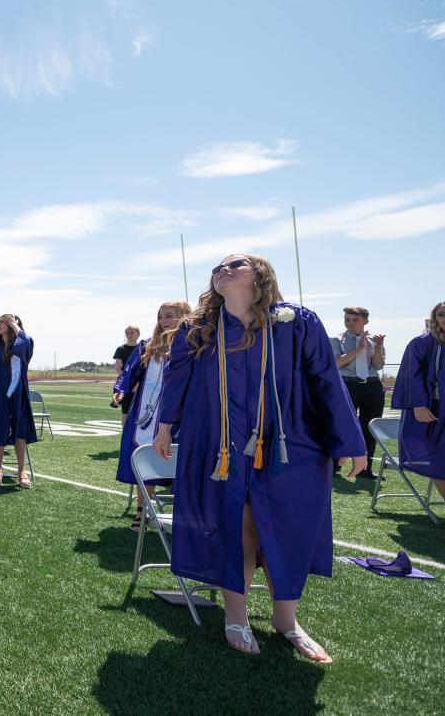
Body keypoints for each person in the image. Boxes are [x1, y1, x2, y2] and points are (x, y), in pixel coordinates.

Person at [152, 253, 366, 662]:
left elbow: (325, 378)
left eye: (236, 265)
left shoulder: (296, 322)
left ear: (261, 275)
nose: (223, 270)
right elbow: (176, 381)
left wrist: (349, 441)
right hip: (221, 444)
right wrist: (165, 427)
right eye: (218, 268)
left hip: (290, 440)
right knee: (239, 524)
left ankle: (287, 620)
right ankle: (236, 616)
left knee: (289, 526)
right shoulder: (198, 330)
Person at [111, 302, 190, 529]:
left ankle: (182, 513)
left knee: (178, 462)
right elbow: (129, 373)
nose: (164, 320)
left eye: (170, 316)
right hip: (146, 414)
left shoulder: (190, 346)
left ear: (185, 317)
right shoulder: (148, 346)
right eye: (161, 316)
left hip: (179, 416)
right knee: (147, 457)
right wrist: (120, 392)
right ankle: (142, 510)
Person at [391, 301, 445, 499]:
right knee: (439, 460)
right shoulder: (422, 343)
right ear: (435, 319)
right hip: (433, 409)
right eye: (442, 314)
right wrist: (418, 404)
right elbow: (411, 375)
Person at [330, 307, 386, 478]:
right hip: (348, 384)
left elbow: (378, 366)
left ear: (365, 321)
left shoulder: (372, 340)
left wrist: (377, 348)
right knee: (343, 424)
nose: (350, 323)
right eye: (347, 319)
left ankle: (365, 468)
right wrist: (358, 349)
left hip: (372, 385)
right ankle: (334, 466)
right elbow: (336, 363)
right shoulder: (336, 339)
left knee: (370, 426)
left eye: (355, 320)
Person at [0, 313, 37, 488]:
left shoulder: (19, 342)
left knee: (19, 431)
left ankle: (22, 470)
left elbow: (26, 343)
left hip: (17, 391)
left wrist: (15, 325)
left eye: (3, 322)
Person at [112, 325, 141, 415]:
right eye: (127, 333)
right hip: (126, 385)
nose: (129, 335)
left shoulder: (143, 349)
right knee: (126, 413)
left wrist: (138, 383)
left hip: (140, 384)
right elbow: (118, 369)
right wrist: (128, 383)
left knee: (139, 412)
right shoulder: (121, 349)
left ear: (138, 334)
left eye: (132, 332)